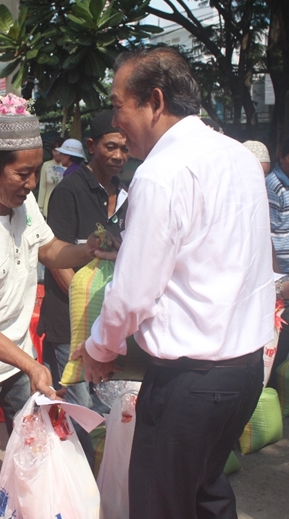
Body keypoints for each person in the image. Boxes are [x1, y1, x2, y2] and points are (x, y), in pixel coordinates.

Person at [72, 47, 274, 519]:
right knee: (206, 492)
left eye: (119, 104)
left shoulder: (161, 174)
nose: (115, 119)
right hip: (243, 371)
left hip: (191, 381)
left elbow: (133, 292)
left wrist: (100, 349)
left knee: (161, 503)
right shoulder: (236, 156)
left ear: (155, 102)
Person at [0, 109, 107, 516]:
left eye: (35, 172)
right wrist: (30, 365)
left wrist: (89, 248)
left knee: (33, 449)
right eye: (23, 174)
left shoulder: (24, 203)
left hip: (17, 355)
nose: (32, 184)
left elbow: (48, 250)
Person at [38, 109, 129, 409]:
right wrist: (89, 308)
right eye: (111, 146)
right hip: (70, 324)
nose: (118, 155)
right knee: (80, 411)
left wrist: (109, 317)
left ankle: (104, 459)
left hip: (109, 326)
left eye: (125, 148)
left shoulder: (129, 195)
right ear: (91, 146)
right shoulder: (69, 192)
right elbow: (56, 258)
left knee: (108, 406)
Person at [266, 138, 289, 387]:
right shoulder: (273, 186)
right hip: (280, 275)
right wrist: (279, 275)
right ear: (282, 156)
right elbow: (268, 232)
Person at [37, 137, 66, 217]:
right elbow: (42, 187)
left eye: (59, 150)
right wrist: (40, 207)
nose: (57, 153)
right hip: (48, 203)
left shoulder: (68, 166)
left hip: (64, 204)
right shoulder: (46, 165)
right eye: (54, 150)